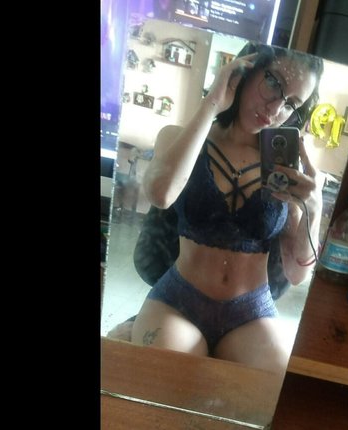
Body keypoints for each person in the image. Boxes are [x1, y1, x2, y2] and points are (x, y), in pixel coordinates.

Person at [127, 43, 324, 374]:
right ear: (244, 71)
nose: (276, 107)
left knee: (271, 391)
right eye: (274, 82)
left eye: (292, 103)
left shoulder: (285, 168)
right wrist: (213, 102)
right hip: (178, 303)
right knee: (165, 382)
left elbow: (296, 273)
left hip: (251, 313)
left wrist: (314, 209)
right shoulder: (179, 138)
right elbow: (161, 195)